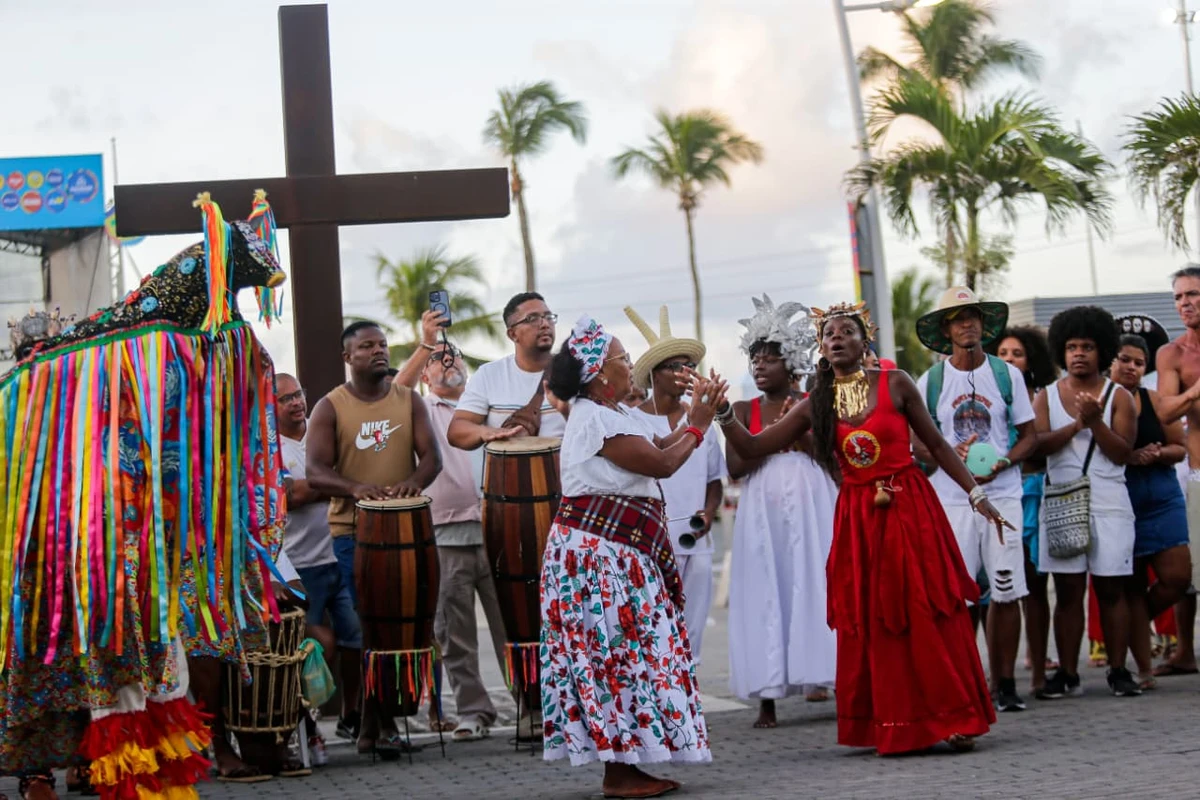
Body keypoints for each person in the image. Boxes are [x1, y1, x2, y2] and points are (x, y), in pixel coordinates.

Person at [721, 301, 1002, 755]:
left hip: (910, 508)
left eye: (846, 331)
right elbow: (754, 447)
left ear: (864, 340)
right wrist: (722, 414)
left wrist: (976, 494)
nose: (836, 338)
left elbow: (936, 445)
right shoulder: (816, 402)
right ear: (821, 347)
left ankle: (952, 718)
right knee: (874, 618)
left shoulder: (896, 383)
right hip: (859, 518)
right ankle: (894, 723)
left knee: (925, 608)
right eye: (829, 334)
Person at [541, 316, 721, 798]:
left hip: (615, 555)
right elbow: (662, 464)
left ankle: (628, 764)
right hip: (599, 560)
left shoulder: (613, 413)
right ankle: (618, 772)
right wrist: (700, 424)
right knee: (613, 655)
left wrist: (694, 416)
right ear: (601, 373)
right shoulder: (595, 418)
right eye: (622, 359)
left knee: (627, 655)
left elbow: (660, 444)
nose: (629, 366)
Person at [306, 320, 443, 758]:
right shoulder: (330, 406)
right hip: (353, 535)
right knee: (371, 628)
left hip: (408, 530)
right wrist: (355, 488)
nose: (379, 351)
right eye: (367, 346)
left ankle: (372, 726)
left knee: (401, 628)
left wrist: (411, 484)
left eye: (382, 344)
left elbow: (432, 458)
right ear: (348, 357)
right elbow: (315, 471)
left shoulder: (409, 400)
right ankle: (381, 725)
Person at [911, 288, 1039, 713]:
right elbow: (918, 443)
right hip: (952, 500)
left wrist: (1004, 462)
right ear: (946, 329)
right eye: (958, 318)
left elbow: (1030, 435)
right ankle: (965, 684)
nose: (967, 324)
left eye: (973, 317)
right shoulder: (930, 382)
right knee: (958, 596)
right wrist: (951, 457)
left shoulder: (1007, 375)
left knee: (1006, 589)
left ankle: (1004, 684)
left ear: (984, 325)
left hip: (1002, 495)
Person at [392, 314, 513, 743]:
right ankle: (474, 712)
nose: (448, 362)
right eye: (437, 359)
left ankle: (533, 708)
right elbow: (395, 393)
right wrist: (426, 342)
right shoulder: (419, 410)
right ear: (425, 374)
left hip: (498, 534)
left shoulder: (484, 408)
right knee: (455, 636)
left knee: (513, 630)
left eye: (454, 355)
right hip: (445, 537)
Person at [723, 295, 837, 727]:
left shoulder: (813, 402)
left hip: (812, 498)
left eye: (769, 359)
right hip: (761, 505)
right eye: (755, 360)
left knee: (815, 579)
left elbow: (828, 456)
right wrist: (770, 434)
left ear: (790, 363)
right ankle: (767, 695)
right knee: (767, 586)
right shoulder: (741, 410)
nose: (759, 367)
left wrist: (797, 430)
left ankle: (826, 674)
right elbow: (737, 467)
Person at [1034, 306, 1140, 698]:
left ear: (1103, 351)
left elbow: (1123, 453)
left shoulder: (1120, 397)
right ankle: (1067, 673)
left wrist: (1096, 422)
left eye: (1088, 347)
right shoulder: (1046, 397)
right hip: (1062, 501)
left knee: (1111, 590)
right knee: (1067, 592)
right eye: (1072, 347)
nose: (1079, 354)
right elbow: (1037, 446)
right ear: (1061, 351)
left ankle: (1118, 670)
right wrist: (1077, 425)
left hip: (1110, 504)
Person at [625, 304, 725, 664]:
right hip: (650, 541)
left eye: (689, 365)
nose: (685, 373)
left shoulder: (704, 418)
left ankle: (690, 695)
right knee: (654, 629)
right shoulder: (631, 420)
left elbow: (714, 479)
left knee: (692, 629)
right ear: (655, 374)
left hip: (695, 540)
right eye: (675, 366)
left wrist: (709, 513)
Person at [275, 373, 364, 746]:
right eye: (285, 399)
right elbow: (289, 498)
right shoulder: (268, 447)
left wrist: (326, 482)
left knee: (355, 639)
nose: (296, 402)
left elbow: (355, 471)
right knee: (311, 648)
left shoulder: (323, 430)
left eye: (299, 394)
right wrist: (338, 482)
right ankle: (306, 723)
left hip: (339, 553)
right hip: (297, 566)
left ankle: (351, 714)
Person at [1109, 334, 1192, 689]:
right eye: (1124, 359)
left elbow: (1180, 448)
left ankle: (1131, 622)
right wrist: (1128, 456)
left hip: (1161, 495)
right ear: (1110, 362)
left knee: (1178, 578)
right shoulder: (1101, 401)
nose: (1131, 367)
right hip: (1120, 497)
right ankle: (1143, 670)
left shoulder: (1154, 399)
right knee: (1131, 586)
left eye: (1139, 363)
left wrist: (1157, 454)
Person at [989, 325, 1059, 693]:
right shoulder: (989, 395)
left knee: (1035, 584)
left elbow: (1039, 443)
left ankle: (1037, 671)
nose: (1009, 360)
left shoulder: (1042, 396)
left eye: (1017, 354)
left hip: (1035, 490)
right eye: (1002, 354)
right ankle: (999, 675)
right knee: (999, 588)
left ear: (1032, 359)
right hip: (1000, 493)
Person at [1147, 267, 1200, 677]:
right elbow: (1164, 410)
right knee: (1190, 570)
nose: (1185, 303)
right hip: (1196, 473)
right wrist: (1196, 390)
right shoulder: (1172, 354)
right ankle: (1184, 651)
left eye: (1193, 294)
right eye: (1179, 297)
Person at [448, 292, 566, 448]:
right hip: (506, 464)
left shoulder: (575, 371)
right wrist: (485, 432)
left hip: (565, 464)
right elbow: (456, 431)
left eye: (548, 317)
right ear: (512, 334)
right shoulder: (488, 375)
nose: (545, 324)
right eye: (532, 318)